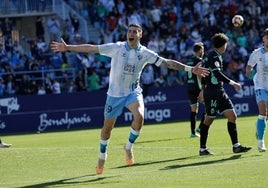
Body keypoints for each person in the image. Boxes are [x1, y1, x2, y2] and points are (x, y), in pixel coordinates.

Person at [50, 23, 209, 174]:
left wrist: (190, 69)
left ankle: (128, 146)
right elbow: (91, 48)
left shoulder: (145, 53)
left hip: (133, 92)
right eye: (129, 31)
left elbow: (167, 63)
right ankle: (102, 156)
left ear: (140, 35)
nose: (131, 34)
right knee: (107, 129)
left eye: (134, 31)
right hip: (114, 95)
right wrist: (68, 47)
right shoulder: (116, 48)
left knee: (139, 116)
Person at [199, 33, 252, 156]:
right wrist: (233, 83)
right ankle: (202, 149)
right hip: (213, 92)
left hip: (219, 91)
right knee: (208, 120)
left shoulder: (211, 56)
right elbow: (216, 73)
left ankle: (236, 146)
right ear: (223, 45)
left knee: (232, 116)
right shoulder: (214, 57)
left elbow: (204, 73)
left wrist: (202, 88)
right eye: (226, 44)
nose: (227, 46)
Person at [245, 28, 268, 152]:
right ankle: (261, 143)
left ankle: (258, 128)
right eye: (267, 37)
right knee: (262, 112)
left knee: (265, 115)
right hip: (261, 86)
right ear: (263, 39)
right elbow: (249, 65)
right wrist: (248, 70)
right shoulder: (257, 53)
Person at [186, 42, 205, 138]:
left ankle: (193, 133)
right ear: (200, 50)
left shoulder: (188, 60)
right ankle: (200, 128)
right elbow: (200, 74)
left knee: (194, 110)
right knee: (209, 106)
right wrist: (203, 88)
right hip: (197, 87)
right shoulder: (199, 60)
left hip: (190, 86)